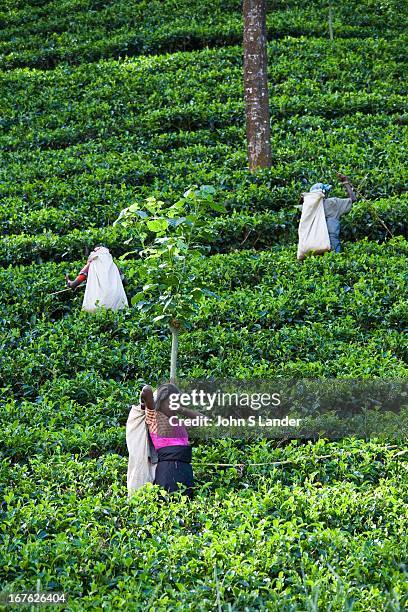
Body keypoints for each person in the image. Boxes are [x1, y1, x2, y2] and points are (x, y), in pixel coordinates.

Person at [140, 383, 201, 497]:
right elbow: (147, 390)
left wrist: (180, 409)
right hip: (168, 470)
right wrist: (145, 401)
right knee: (168, 503)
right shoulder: (155, 417)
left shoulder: (178, 423)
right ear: (161, 402)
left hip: (185, 470)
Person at [66, 245, 128, 312]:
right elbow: (125, 282)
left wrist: (70, 283)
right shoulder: (114, 266)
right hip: (117, 303)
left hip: (99, 304)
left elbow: (75, 282)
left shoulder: (92, 264)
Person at [309, 173, 357, 253]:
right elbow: (353, 199)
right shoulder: (333, 203)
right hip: (332, 242)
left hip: (313, 243)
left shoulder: (308, 207)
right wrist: (345, 182)